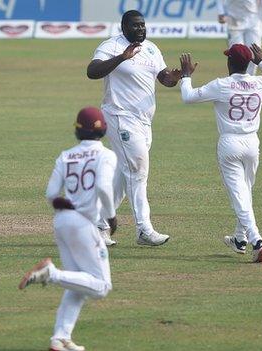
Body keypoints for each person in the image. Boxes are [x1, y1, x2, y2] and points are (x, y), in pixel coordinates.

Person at [19, 107, 117, 351]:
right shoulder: (106, 155)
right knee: (102, 286)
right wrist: (111, 216)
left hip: (61, 221)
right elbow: (104, 188)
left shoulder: (66, 155)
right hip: (84, 224)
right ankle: (51, 274)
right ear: (103, 129)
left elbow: (51, 194)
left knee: (78, 285)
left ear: (77, 130)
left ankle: (60, 338)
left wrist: (62, 203)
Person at [86, 9, 181, 247]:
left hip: (144, 121)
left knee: (123, 175)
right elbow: (92, 71)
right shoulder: (111, 45)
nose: (141, 29)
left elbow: (164, 78)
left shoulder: (151, 48)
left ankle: (99, 226)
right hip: (119, 116)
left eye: (143, 25)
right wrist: (121, 58)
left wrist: (177, 77)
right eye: (135, 26)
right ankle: (143, 230)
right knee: (138, 172)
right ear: (123, 28)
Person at [179, 43, 262, 263]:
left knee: (240, 196)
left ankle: (256, 240)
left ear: (229, 62)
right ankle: (239, 239)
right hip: (252, 143)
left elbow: (188, 97)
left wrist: (185, 76)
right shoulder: (260, 83)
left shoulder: (221, 85)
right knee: (245, 192)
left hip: (229, 143)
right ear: (249, 63)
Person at [217, 0, 262, 75]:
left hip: (253, 22)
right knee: (236, 53)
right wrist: (221, 13)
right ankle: (236, 81)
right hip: (234, 21)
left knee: (254, 52)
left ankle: (249, 81)